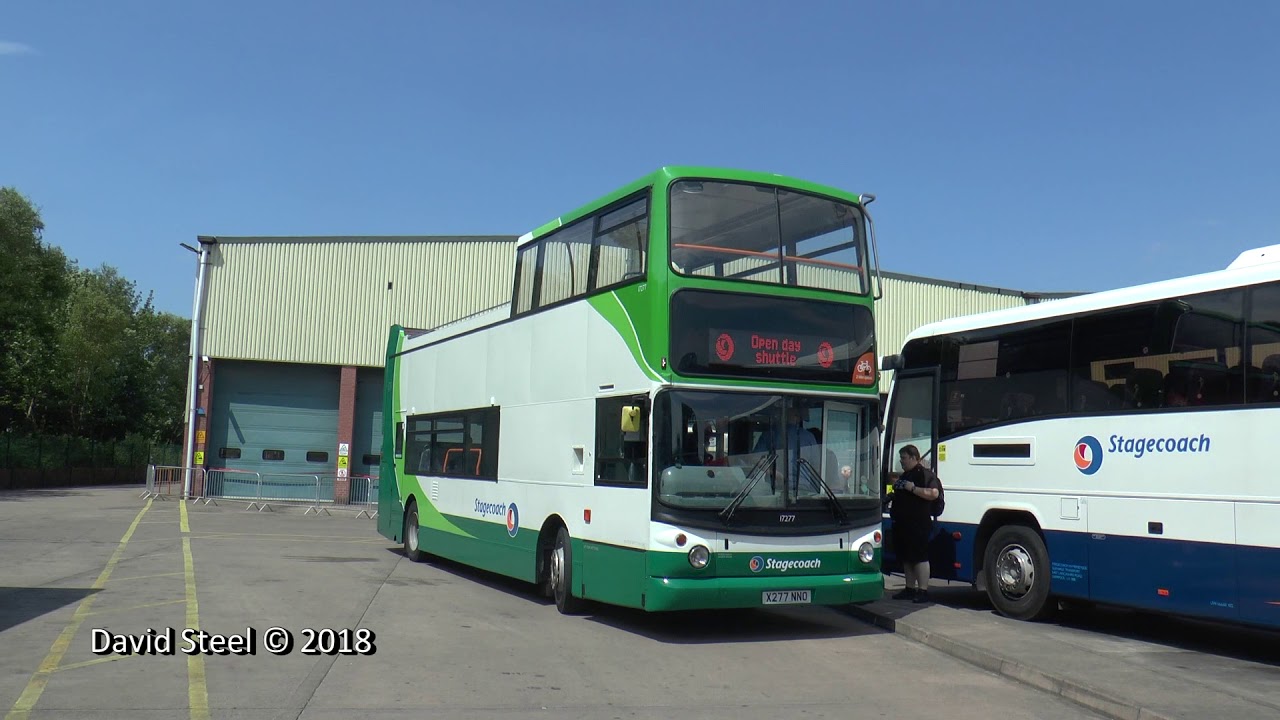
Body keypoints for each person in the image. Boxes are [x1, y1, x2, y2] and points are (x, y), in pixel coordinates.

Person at [889, 444, 940, 603]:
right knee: (907, 558)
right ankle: (909, 588)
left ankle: (923, 590)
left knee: (920, 558)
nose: (901, 461)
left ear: (913, 457)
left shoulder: (925, 475)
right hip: (903, 525)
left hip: (918, 524)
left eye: (903, 458)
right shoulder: (905, 475)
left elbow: (933, 494)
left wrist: (912, 488)